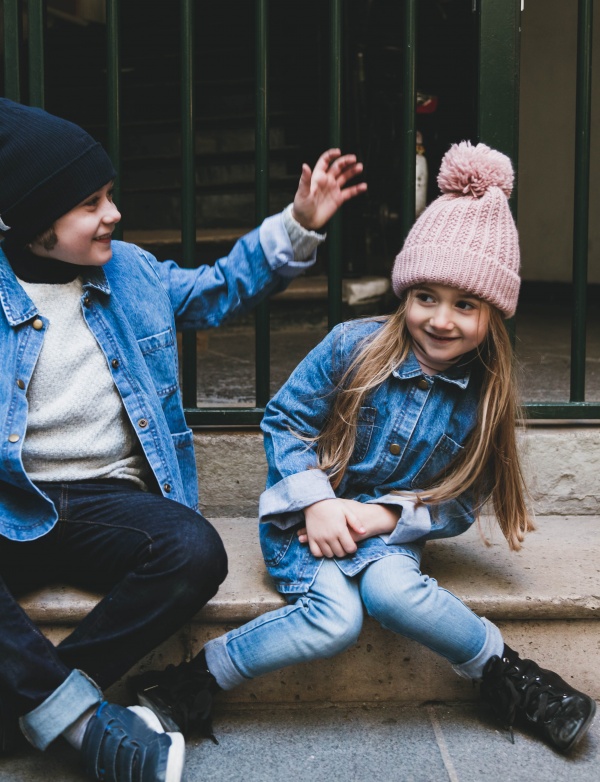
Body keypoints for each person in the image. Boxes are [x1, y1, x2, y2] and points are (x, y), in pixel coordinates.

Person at [131, 141, 596, 755]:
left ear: (495, 313)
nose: (440, 319)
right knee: (335, 619)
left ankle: (508, 676)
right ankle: (193, 681)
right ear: (405, 292)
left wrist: (382, 516)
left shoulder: (487, 395)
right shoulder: (353, 344)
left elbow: (461, 498)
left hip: (387, 533)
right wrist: (321, 504)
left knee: (391, 591)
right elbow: (286, 421)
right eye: (425, 296)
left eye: (465, 305)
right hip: (307, 523)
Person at [0, 97, 366, 782]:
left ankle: (36, 707)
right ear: (30, 225)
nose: (112, 213)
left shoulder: (131, 272)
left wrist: (298, 227)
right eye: (88, 205)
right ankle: (78, 724)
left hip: (108, 501)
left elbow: (218, 289)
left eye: (109, 195)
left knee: (194, 551)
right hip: (11, 500)